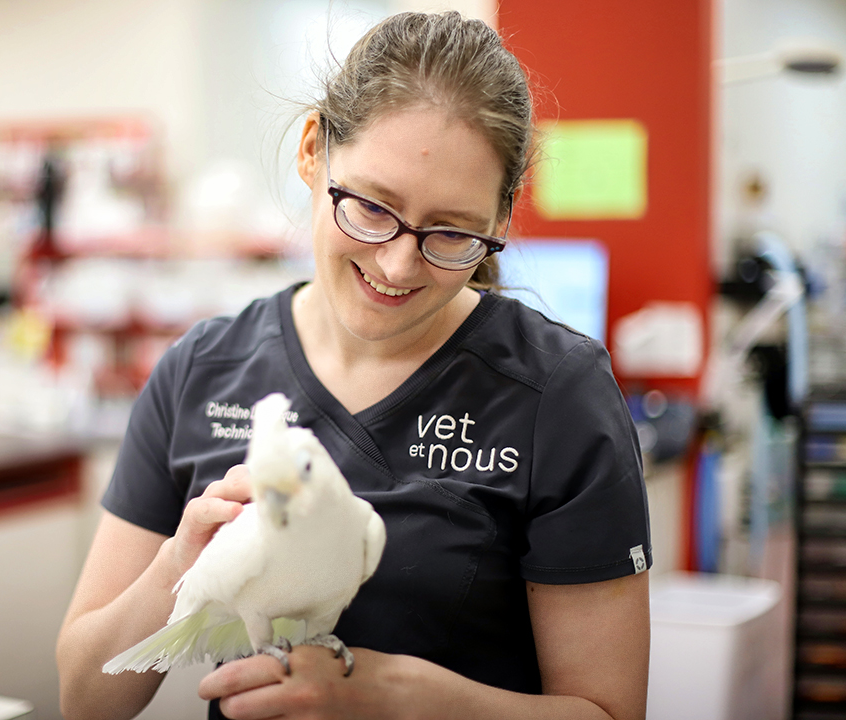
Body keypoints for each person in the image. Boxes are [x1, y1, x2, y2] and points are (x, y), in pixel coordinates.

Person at [57, 10, 651, 720]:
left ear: (499, 222)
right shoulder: (201, 370)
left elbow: (609, 713)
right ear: (314, 152)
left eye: (452, 232)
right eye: (372, 207)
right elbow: (86, 700)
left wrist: (397, 696)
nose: (398, 264)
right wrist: (182, 564)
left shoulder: (557, 393)